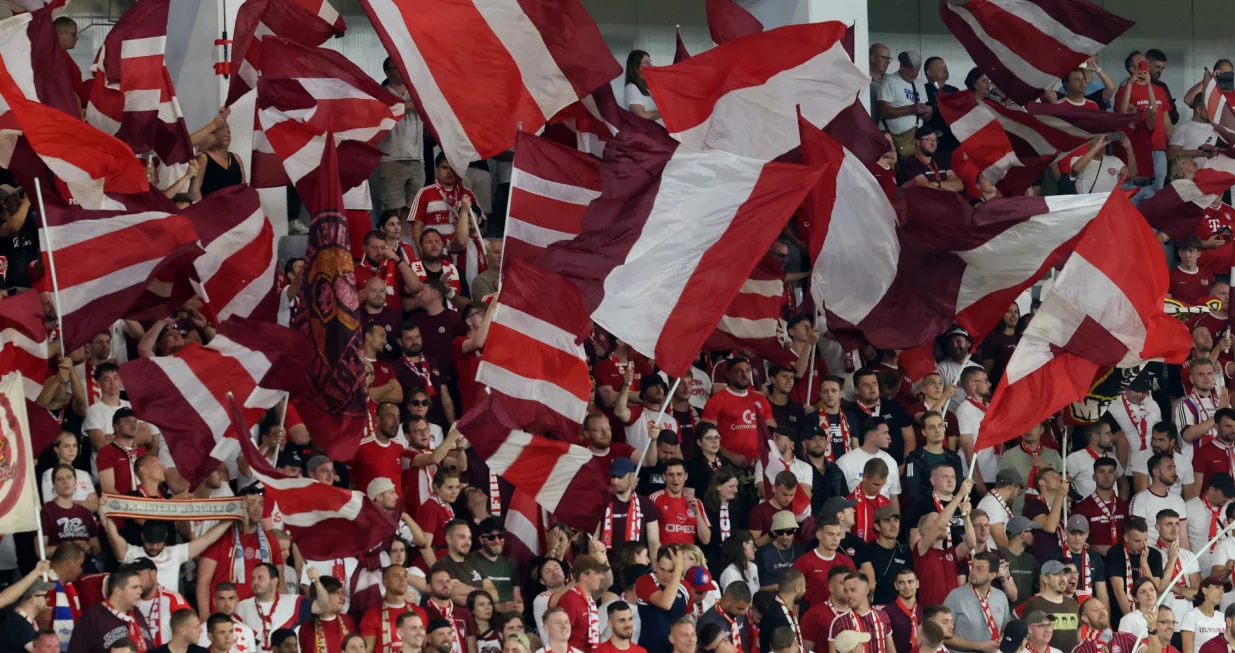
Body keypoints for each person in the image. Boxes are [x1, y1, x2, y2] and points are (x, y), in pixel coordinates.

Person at [197, 488, 286, 616]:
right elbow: (203, 580)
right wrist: (204, 616)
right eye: (251, 503)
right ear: (240, 505)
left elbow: (280, 583)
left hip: (258, 615)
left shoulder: (271, 541)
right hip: (224, 615)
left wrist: (281, 614)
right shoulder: (220, 537)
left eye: (261, 504)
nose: (257, 508)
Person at [701, 358, 776, 465]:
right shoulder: (717, 400)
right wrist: (730, 456)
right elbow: (705, 435)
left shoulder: (760, 399)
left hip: (760, 463)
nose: (744, 375)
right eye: (739, 371)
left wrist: (765, 453)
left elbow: (773, 431)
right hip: (727, 464)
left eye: (747, 370)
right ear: (729, 374)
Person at [376, 56, 426, 216]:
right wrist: (416, 104)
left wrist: (413, 103)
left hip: (417, 157)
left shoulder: (417, 93)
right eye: (396, 68)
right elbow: (389, 110)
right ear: (387, 72)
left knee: (414, 211)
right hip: (391, 158)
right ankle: (392, 241)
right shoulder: (379, 94)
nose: (402, 71)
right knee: (393, 210)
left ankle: (408, 241)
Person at [915, 479, 976, 608]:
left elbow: (971, 544)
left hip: (952, 613)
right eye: (935, 520)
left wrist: (966, 517)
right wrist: (960, 494)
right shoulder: (921, 549)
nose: (943, 523)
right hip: (931, 613)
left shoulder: (950, 553)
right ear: (925, 531)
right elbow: (940, 525)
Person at [70, 567, 153, 653]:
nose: (139, 591)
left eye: (140, 587)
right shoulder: (92, 617)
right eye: (134, 587)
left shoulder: (137, 614)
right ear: (118, 591)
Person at [944, 552, 1011, 653]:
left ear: (992, 575)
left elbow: (1004, 629)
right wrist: (979, 646)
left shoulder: (1001, 597)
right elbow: (942, 635)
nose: (973, 572)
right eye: (973, 567)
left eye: (979, 569)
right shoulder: (955, 596)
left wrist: (1001, 638)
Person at [1105, 516, 1166, 625]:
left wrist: (1144, 563)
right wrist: (1132, 621)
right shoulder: (1115, 553)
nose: (1143, 545)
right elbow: (1118, 590)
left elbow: (1154, 588)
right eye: (1137, 541)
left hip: (1150, 616)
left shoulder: (1154, 555)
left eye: (1145, 540)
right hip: (1121, 615)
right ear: (1126, 538)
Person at [835, 419, 902, 511]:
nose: (889, 437)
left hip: (884, 521)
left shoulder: (891, 461)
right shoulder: (845, 462)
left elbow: (893, 496)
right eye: (884, 433)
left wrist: (896, 523)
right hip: (857, 519)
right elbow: (838, 499)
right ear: (872, 436)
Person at [1017, 561, 1080, 651]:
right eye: (1057, 575)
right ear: (1045, 579)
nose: (1063, 579)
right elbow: (1025, 636)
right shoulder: (1033, 604)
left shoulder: (1073, 603)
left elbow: (1079, 633)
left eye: (1064, 575)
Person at [855, 506, 911, 606]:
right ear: (877, 526)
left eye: (896, 520)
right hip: (878, 609)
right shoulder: (867, 551)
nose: (893, 525)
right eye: (887, 521)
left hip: (903, 608)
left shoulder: (906, 551)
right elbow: (868, 587)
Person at [634, 548, 687, 653]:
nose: (665, 576)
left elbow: (686, 621)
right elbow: (666, 603)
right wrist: (678, 570)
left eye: (671, 570)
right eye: (662, 569)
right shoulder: (644, 581)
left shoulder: (685, 587)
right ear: (655, 564)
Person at [878, 51, 930, 158]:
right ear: (901, 66)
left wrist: (928, 112)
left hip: (916, 139)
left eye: (917, 71)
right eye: (911, 71)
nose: (914, 74)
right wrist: (911, 109)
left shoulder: (919, 83)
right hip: (896, 138)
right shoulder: (890, 80)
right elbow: (884, 111)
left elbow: (925, 117)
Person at [1130, 456, 1191, 546]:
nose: (1174, 472)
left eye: (1174, 468)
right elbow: (1136, 536)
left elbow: (1183, 537)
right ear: (1156, 472)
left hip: (1176, 555)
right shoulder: (1141, 499)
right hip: (1151, 555)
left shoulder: (1178, 500)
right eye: (1169, 468)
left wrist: (1185, 558)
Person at [1055, 515, 1110, 612]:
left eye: (1081, 534)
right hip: (1061, 609)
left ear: (1087, 534)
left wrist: (1105, 625)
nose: (1077, 538)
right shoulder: (1054, 556)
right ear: (1066, 532)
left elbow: (1102, 595)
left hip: (1088, 611)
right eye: (1073, 533)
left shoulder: (1095, 558)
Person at [827, 573, 892, 653]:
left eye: (853, 590)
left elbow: (891, 650)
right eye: (845, 591)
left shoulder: (883, 615)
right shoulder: (839, 622)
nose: (848, 595)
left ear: (866, 590)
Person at [559, 556, 609, 653]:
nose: (602, 577)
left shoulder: (589, 600)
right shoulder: (569, 600)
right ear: (584, 576)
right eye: (597, 573)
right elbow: (560, 636)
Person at [1131, 423, 1193, 498]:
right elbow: (1141, 495)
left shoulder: (1184, 462)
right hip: (1151, 507)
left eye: (1161, 440)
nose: (1156, 444)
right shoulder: (1143, 457)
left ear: (1172, 442)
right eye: (1154, 439)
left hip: (1177, 507)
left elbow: (1190, 497)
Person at [298, 574, 356, 653]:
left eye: (341, 592)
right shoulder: (305, 627)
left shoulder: (348, 621)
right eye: (336, 593)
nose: (342, 597)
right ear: (321, 596)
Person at [800, 567, 852, 652]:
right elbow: (805, 650)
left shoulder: (860, 612)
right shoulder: (814, 615)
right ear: (831, 588)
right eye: (842, 583)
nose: (847, 587)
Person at [190, 123, 246, 200]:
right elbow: (195, 191)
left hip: (235, 207)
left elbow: (243, 187)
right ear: (212, 136)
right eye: (223, 132)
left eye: (229, 132)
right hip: (211, 208)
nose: (227, 135)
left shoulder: (236, 157)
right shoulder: (203, 158)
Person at [896, 128, 963, 192]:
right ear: (917, 142)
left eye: (935, 140)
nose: (933, 143)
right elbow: (927, 189)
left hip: (948, 202)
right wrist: (948, 185)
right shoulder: (911, 163)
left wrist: (937, 184)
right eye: (929, 140)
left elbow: (959, 185)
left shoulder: (942, 159)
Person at [976, 469, 1025, 549]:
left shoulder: (995, 502)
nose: (1017, 495)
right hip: (991, 557)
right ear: (1011, 488)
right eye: (1018, 491)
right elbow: (1000, 540)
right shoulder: (991, 503)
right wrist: (1013, 558)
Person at [758, 569, 804, 653]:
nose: (805, 590)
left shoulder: (783, 609)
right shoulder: (776, 615)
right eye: (804, 587)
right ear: (797, 589)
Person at [695, 582, 750, 652]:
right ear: (727, 600)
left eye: (745, 608)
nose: (743, 612)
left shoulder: (740, 614)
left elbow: (744, 642)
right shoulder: (706, 622)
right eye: (739, 608)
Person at [1180, 577, 1226, 653]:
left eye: (1223, 589)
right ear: (1204, 590)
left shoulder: (1223, 617)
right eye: (1217, 587)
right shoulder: (1191, 616)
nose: (1221, 592)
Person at [883, 568, 920, 653]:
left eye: (910, 582)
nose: (906, 587)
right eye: (901, 583)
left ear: (917, 584)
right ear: (896, 585)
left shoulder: (925, 612)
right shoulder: (886, 612)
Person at [623, 51, 659, 122]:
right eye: (646, 62)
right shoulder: (632, 88)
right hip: (645, 132)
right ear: (636, 67)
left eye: (650, 62)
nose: (650, 65)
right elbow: (641, 116)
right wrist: (665, 111)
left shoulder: (649, 87)